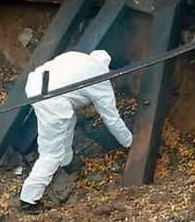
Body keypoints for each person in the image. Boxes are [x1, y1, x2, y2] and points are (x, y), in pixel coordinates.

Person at [19, 49, 133, 211]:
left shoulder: (77, 57)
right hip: (53, 100)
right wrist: (130, 143)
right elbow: (112, 120)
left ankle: (67, 162)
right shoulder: (101, 80)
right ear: (110, 70)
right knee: (51, 153)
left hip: (36, 85)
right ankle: (28, 199)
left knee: (67, 120)